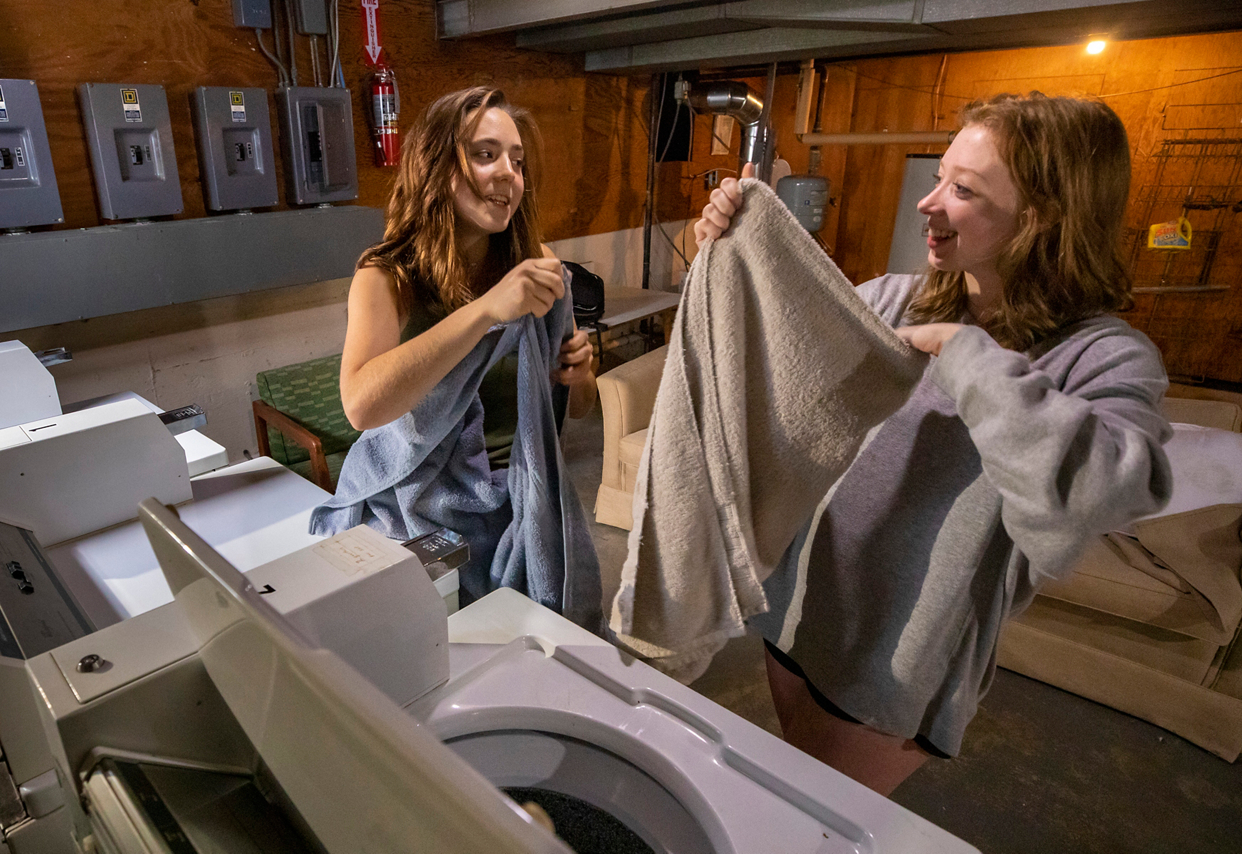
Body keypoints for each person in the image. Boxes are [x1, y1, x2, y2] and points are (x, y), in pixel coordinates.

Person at [694, 93, 1172, 795]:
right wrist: (731, 257)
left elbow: (1104, 491)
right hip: (799, 607)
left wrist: (965, 353)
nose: (928, 202)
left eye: (963, 189)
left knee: (816, 817)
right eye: (940, 177)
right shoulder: (893, 298)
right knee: (796, 798)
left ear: (1043, 216)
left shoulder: (1101, 358)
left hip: (894, 657)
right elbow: (768, 364)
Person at [313, 86, 599, 617]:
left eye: (517, 161)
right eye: (485, 154)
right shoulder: (387, 277)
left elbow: (579, 409)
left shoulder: (537, 264)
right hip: (419, 506)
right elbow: (361, 406)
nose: (509, 174)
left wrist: (579, 373)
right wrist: (486, 310)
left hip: (520, 504)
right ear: (437, 166)